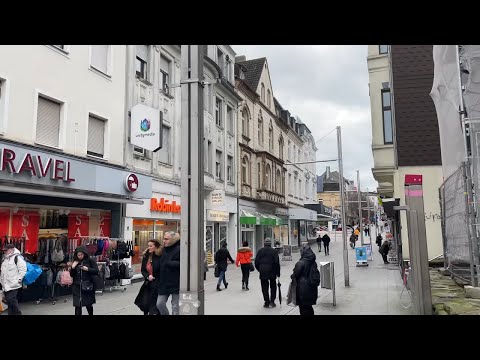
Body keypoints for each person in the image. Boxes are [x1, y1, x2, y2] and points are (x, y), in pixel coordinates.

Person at [69, 246, 99, 316]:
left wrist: (87, 269)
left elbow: (96, 271)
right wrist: (73, 267)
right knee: (78, 305)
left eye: (81, 255)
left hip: (87, 286)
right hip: (77, 286)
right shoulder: (76, 262)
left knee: (88, 304)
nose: (80, 256)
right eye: (78, 255)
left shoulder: (90, 260)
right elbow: (72, 275)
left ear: (85, 254)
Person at [157, 231, 181, 315]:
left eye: (166, 239)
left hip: (176, 282)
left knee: (175, 307)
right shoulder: (163, 249)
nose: (164, 241)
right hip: (164, 283)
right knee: (160, 304)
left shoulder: (180, 248)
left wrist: (169, 263)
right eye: (163, 239)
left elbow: (183, 264)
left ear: (173, 239)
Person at [291, 244, 318, 316]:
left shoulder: (301, 263)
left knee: (303, 308)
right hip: (312, 288)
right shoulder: (313, 262)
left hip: (303, 289)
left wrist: (292, 276)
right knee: (309, 307)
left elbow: (295, 274)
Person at [136, 239, 162, 315]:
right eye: (148, 246)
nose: (149, 247)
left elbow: (162, 270)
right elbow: (143, 270)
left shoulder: (160, 256)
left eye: (151, 246)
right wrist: (148, 276)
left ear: (156, 247)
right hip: (148, 283)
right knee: (145, 302)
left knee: (154, 304)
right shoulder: (146, 256)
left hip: (158, 283)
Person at [0, 244, 27, 315]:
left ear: (12, 249)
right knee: (9, 301)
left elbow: (23, 269)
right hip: (5, 284)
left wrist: (18, 279)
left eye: (6, 250)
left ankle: (18, 313)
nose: (4, 252)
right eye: (4, 250)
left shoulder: (17, 258)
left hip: (14, 284)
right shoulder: (4, 258)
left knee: (11, 299)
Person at [255, 238, 280, 308]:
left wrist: (260, 269)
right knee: (273, 286)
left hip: (263, 271)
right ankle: (272, 301)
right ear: (270, 243)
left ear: (264, 243)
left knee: (264, 287)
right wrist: (278, 273)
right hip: (272, 271)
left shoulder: (260, 251)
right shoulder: (274, 251)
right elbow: (277, 263)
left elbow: (256, 262)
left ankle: (266, 302)